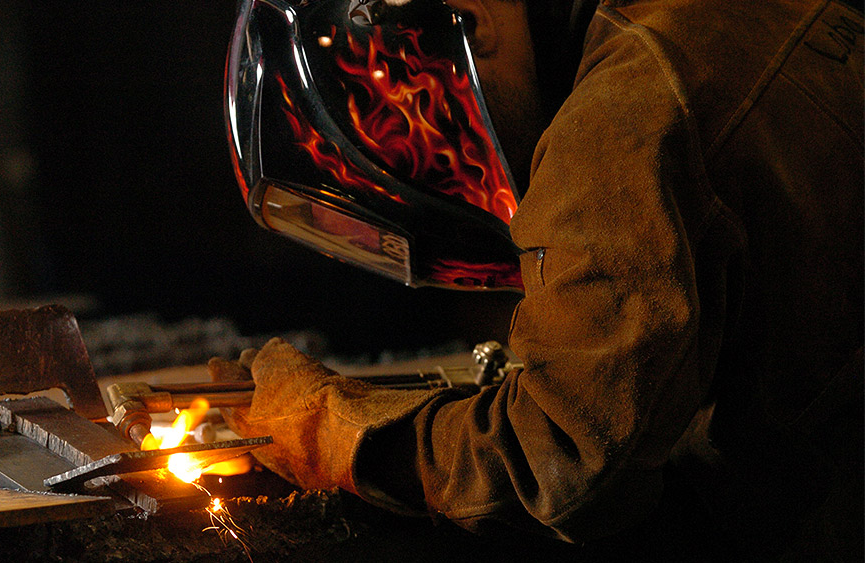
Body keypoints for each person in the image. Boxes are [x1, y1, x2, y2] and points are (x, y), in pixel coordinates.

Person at [210, 0, 864, 560]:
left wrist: (333, 427)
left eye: (405, 114)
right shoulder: (673, 25)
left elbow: (563, 467)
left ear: (473, 22)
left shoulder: (620, 113)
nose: (426, 156)